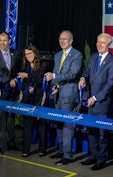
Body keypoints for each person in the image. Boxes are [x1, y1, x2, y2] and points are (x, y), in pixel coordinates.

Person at [78, 33, 113, 170]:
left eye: (102, 42)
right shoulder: (94, 57)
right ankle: (93, 156)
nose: (99, 45)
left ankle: (101, 159)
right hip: (90, 101)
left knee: (102, 133)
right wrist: (83, 78)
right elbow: (87, 72)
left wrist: (94, 98)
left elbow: (110, 85)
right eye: (98, 42)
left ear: (109, 44)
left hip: (102, 103)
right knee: (91, 131)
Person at [45, 30, 83, 165]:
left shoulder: (77, 55)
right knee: (59, 124)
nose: (62, 41)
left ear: (71, 41)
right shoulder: (57, 55)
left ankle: (68, 155)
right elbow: (57, 73)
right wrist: (54, 85)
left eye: (65, 39)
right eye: (60, 39)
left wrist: (55, 77)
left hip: (69, 95)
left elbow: (73, 74)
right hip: (58, 95)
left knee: (67, 125)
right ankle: (61, 150)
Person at [14, 44, 49, 157]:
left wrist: (27, 76)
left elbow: (39, 80)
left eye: (30, 53)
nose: (28, 56)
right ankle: (25, 150)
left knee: (41, 125)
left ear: (35, 53)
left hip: (39, 99)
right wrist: (26, 87)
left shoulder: (43, 65)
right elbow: (21, 81)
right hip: (28, 99)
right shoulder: (24, 66)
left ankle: (42, 149)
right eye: (26, 54)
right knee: (27, 125)